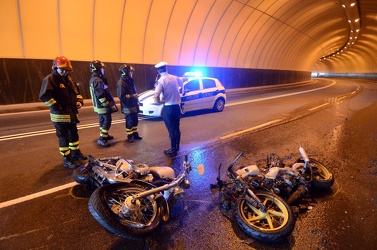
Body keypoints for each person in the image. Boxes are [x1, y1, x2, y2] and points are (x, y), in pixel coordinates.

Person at [39, 56, 86, 169]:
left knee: (74, 134)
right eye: (62, 69)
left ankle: (75, 154)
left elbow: (77, 92)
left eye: (67, 70)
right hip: (60, 116)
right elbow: (44, 96)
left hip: (71, 114)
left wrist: (79, 101)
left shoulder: (69, 79)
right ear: (55, 67)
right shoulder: (50, 79)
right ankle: (67, 159)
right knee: (64, 137)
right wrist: (56, 106)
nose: (65, 72)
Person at [154, 61, 183, 157]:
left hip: (168, 108)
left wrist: (159, 101)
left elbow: (156, 95)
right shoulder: (175, 77)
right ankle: (177, 147)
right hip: (176, 107)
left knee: (171, 129)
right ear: (167, 68)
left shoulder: (161, 80)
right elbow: (181, 84)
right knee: (176, 128)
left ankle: (173, 150)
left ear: (158, 71)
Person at [89, 60, 118, 147]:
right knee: (107, 120)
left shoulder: (94, 79)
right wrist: (107, 104)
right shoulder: (98, 80)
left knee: (102, 120)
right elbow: (100, 95)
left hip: (98, 105)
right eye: (102, 68)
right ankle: (102, 139)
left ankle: (104, 135)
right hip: (102, 105)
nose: (103, 70)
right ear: (98, 69)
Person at [116, 64, 143, 143]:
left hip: (133, 104)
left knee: (135, 120)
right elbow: (121, 96)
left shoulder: (130, 81)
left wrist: (135, 96)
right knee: (129, 121)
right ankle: (130, 136)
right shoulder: (121, 83)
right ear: (126, 73)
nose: (132, 73)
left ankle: (135, 134)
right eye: (130, 72)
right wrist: (132, 96)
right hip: (127, 106)